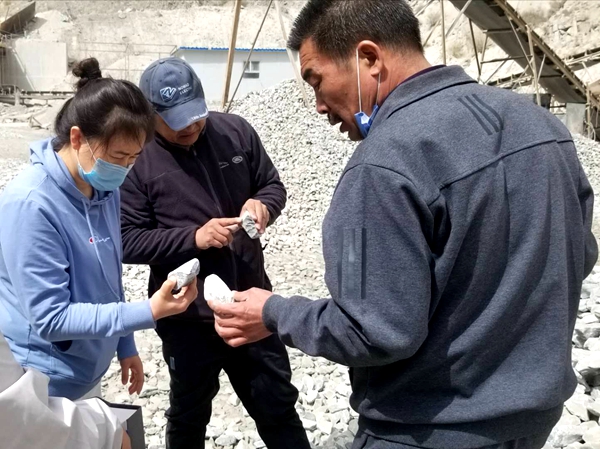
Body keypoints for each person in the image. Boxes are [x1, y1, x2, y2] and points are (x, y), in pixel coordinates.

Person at [207, 1, 599, 449]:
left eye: (316, 81)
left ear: (369, 58)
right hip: (534, 419)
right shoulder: (540, 125)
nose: (318, 106)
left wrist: (274, 313)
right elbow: (578, 255)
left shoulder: (382, 166)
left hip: (429, 428)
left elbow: (372, 331)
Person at [119, 57, 310, 449]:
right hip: (187, 318)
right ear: (151, 115)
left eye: (196, 116)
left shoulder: (235, 131)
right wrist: (194, 238)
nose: (191, 127)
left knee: (277, 406)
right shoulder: (137, 159)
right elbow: (127, 240)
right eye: (177, 121)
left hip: (250, 305)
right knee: (188, 415)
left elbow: (272, 185)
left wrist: (263, 206)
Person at [0, 57, 198, 403]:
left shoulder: (102, 187)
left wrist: (125, 344)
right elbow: (51, 318)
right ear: (77, 138)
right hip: (42, 381)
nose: (125, 169)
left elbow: (109, 278)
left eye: (134, 158)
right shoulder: (31, 205)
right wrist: (149, 311)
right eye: (118, 157)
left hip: (85, 370)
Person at [0, 330, 131, 449]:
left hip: (88, 382)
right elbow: (18, 418)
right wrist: (108, 431)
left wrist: (126, 345)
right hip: (49, 391)